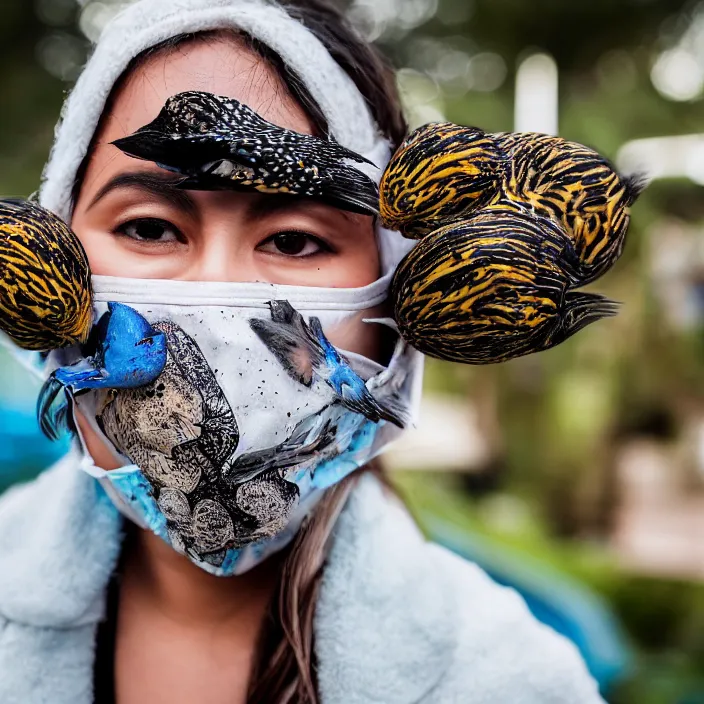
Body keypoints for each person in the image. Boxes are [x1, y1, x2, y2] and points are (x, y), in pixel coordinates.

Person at [0, 1, 606, 702]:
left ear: (394, 304)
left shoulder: (512, 681)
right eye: (149, 228)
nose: (220, 306)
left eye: (294, 241)